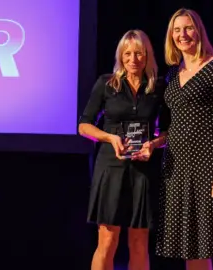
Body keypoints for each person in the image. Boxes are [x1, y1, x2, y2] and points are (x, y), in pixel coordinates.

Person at [155, 8, 213, 270]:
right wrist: (155, 142)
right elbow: (176, 126)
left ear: (199, 31)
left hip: (210, 167)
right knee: (191, 243)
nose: (183, 35)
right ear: (172, 36)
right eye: (177, 30)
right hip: (177, 169)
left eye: (188, 28)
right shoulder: (172, 74)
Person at [78, 29, 170, 270]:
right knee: (108, 239)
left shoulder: (158, 87)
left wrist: (154, 144)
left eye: (139, 53)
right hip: (111, 167)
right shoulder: (106, 84)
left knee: (139, 242)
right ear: (120, 56)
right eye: (127, 54)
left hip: (144, 169)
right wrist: (110, 137)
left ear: (147, 55)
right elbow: (84, 125)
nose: (133, 59)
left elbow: (169, 132)